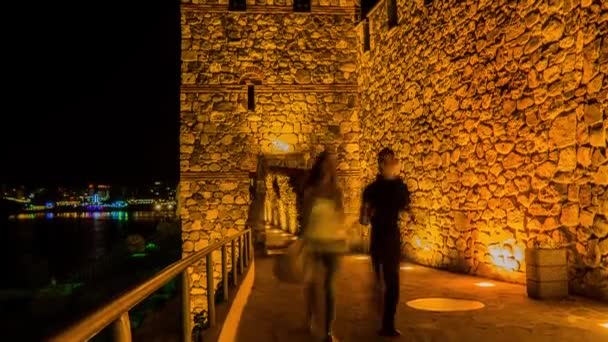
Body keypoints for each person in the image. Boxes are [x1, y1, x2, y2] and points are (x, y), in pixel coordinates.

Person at [360, 147, 409, 337]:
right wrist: (367, 213)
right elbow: (363, 219)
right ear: (380, 165)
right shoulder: (372, 190)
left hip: (392, 237)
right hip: (379, 237)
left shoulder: (399, 187)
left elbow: (404, 208)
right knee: (382, 280)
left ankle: (388, 322)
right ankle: (382, 314)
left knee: (392, 281)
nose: (390, 164)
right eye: (387, 161)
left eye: (392, 160)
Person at [299, 151, 347, 342]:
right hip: (314, 243)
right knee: (311, 284)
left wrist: (342, 231)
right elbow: (305, 217)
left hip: (333, 245)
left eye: (331, 164)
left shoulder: (336, 191)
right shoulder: (311, 191)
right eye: (325, 164)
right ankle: (310, 315)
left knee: (330, 287)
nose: (328, 167)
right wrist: (303, 240)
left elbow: (340, 215)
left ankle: (327, 330)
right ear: (319, 166)